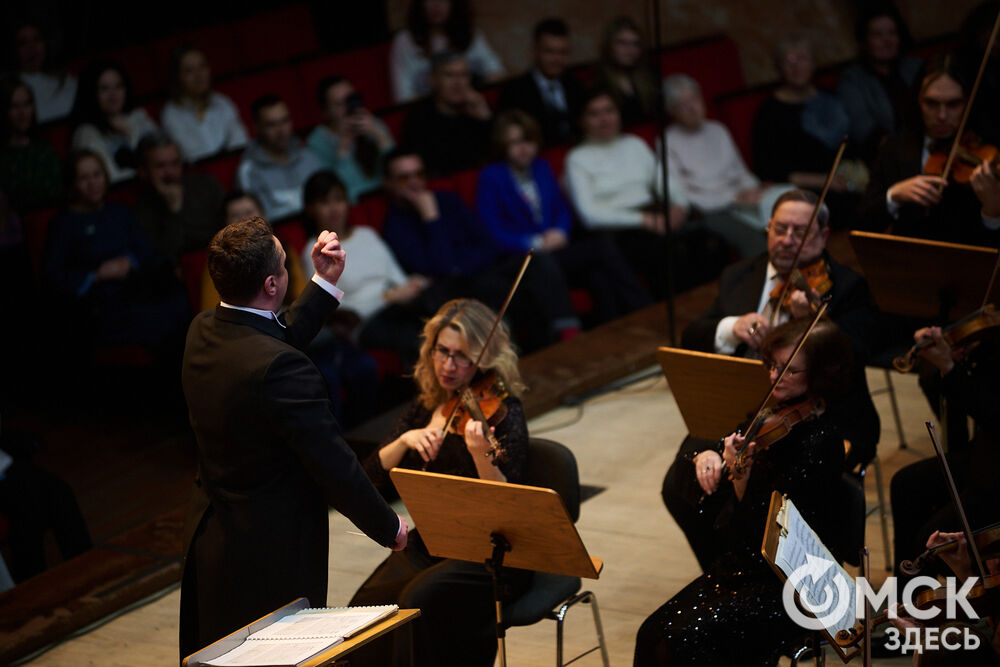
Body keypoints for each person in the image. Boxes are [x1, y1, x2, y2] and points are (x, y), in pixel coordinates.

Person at [177, 216, 408, 659]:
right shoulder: (282, 369)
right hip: (271, 552)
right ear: (271, 284)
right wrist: (389, 526)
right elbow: (333, 465)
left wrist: (323, 282)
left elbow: (272, 336)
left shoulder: (203, 331)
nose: (290, 270)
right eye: (286, 265)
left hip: (213, 538)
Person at [664, 190, 881, 570]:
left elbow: (861, 352)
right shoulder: (739, 275)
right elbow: (693, 334)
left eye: (800, 232)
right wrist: (732, 327)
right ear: (767, 228)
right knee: (681, 481)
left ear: (823, 236)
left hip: (818, 421)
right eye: (781, 229)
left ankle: (764, 573)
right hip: (748, 417)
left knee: (761, 493)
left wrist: (819, 324)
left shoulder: (845, 287)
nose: (788, 240)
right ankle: (723, 567)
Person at [635, 318, 854, 666]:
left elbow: (772, 532)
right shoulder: (770, 413)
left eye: (789, 370)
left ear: (821, 374)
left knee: (679, 643)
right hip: (742, 567)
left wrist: (741, 481)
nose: (773, 377)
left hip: (785, 584)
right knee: (650, 634)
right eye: (773, 366)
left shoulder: (821, 442)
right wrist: (709, 454)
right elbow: (726, 456)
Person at [348, 298, 531, 667]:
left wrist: (481, 453)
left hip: (487, 556)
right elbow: (367, 479)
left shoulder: (505, 414)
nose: (449, 365)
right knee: (364, 607)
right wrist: (403, 442)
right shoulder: (426, 405)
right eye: (442, 351)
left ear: (483, 357)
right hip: (432, 542)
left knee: (417, 602)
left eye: (462, 356)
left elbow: (510, 509)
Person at [381, 148, 580, 351]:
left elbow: (488, 244)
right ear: (389, 183)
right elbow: (441, 267)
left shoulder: (448, 200)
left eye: (419, 174)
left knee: (536, 261)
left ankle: (568, 334)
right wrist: (431, 218)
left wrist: (460, 265)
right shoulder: (394, 228)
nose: (415, 182)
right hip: (456, 291)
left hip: (483, 271)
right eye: (404, 178)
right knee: (480, 295)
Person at [477, 109, 651, 325]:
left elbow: (561, 208)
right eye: (515, 142)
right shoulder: (491, 177)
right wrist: (533, 242)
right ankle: (567, 330)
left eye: (528, 141)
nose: (523, 148)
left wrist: (560, 231)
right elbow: (492, 229)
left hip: (554, 246)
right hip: (521, 258)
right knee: (545, 262)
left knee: (600, 252)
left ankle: (639, 312)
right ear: (503, 145)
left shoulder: (541, 166)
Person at [42, 150, 189, 355]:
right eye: (84, 178)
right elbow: (53, 278)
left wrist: (129, 261)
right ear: (72, 184)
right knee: (160, 324)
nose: (93, 183)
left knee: (183, 305)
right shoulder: (63, 224)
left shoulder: (118, 211)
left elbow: (145, 250)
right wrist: (96, 275)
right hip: (99, 306)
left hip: (138, 289)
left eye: (97, 175)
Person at [565, 88, 708, 297]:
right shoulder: (577, 158)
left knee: (707, 240)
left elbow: (666, 182)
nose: (604, 119)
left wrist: (679, 206)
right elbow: (590, 216)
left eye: (609, 110)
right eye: (594, 114)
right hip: (618, 230)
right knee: (665, 250)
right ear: (582, 120)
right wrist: (645, 220)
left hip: (655, 215)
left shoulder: (634, 144)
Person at [889, 326, 1000, 586]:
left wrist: (951, 368)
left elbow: (994, 414)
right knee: (906, 484)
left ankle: (932, 611)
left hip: (994, 475)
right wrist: (968, 354)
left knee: (931, 542)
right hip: (987, 452)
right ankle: (905, 608)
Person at [860, 53, 1000, 246]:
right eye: (931, 103)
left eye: (954, 104)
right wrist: (894, 195)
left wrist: (992, 213)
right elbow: (863, 224)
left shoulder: (990, 144)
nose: (942, 116)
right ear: (918, 100)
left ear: (969, 102)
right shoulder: (895, 147)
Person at [302, 170, 431, 367]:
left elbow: (398, 278)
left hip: (398, 306)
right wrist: (385, 299)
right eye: (324, 202)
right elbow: (336, 312)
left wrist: (413, 286)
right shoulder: (314, 251)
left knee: (437, 311)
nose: (334, 208)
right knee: (412, 335)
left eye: (338, 200)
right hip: (364, 324)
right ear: (312, 209)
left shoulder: (366, 234)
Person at [661, 73, 779, 259]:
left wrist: (756, 187)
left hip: (742, 197)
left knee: (791, 217)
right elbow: (681, 193)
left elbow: (740, 171)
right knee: (755, 243)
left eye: (694, 99)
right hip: (710, 209)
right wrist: (732, 197)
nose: (692, 108)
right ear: (671, 111)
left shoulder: (717, 129)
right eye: (683, 105)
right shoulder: (668, 141)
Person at [751, 35, 863, 222]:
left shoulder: (829, 97)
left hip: (845, 177)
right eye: (789, 61)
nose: (797, 66)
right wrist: (823, 181)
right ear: (779, 68)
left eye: (803, 58)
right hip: (808, 187)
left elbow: (853, 142)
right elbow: (768, 169)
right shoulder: (769, 112)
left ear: (813, 63)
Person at [836, 4, 923, 164]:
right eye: (877, 35)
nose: (887, 40)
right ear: (864, 42)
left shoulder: (915, 67)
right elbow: (863, 128)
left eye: (892, 33)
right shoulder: (852, 79)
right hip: (884, 157)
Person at [134, 132, 224, 268]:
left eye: (175, 163)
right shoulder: (142, 208)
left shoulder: (205, 184)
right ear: (143, 171)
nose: (170, 172)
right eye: (160, 166)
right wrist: (174, 210)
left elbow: (229, 228)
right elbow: (165, 258)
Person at [390, 0, 504, 103]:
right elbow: (403, 96)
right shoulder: (404, 41)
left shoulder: (470, 33)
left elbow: (496, 73)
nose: (436, 5)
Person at [400, 52, 492, 178]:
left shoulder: (479, 110)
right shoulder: (418, 120)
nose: (458, 83)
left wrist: (485, 119)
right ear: (432, 80)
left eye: (464, 75)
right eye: (449, 75)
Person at [497, 17, 586, 147]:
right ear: (535, 51)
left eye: (562, 52)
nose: (556, 59)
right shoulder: (514, 91)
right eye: (549, 52)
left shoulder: (576, 86)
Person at [306, 76, 395, 202]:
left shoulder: (373, 124)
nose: (348, 108)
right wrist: (343, 148)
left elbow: (397, 173)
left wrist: (380, 137)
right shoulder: (317, 143)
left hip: (389, 197)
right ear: (325, 111)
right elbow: (341, 193)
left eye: (350, 99)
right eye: (339, 104)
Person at [236, 94, 322, 220]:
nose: (281, 130)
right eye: (272, 125)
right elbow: (254, 222)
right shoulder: (248, 171)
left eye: (285, 121)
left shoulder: (309, 157)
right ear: (257, 128)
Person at [70, 61, 158, 184]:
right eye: (104, 89)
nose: (113, 95)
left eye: (118, 86)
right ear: (91, 93)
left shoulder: (139, 116)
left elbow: (162, 155)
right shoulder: (86, 133)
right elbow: (109, 178)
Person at [159, 43, 248, 163]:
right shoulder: (171, 113)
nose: (199, 75)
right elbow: (192, 156)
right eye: (189, 71)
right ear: (177, 77)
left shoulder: (222, 102)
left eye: (202, 66)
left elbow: (240, 142)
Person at [0, 75, 62, 214]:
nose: (23, 113)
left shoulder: (45, 150)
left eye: (27, 104)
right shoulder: (3, 158)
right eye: (14, 106)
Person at [594, 16, 660, 127]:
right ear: (609, 46)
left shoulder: (650, 75)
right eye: (622, 43)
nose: (630, 50)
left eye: (635, 44)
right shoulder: (599, 82)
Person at [13, 23, 77, 124]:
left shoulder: (66, 79)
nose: (31, 47)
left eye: (36, 39)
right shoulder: (8, 86)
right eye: (23, 43)